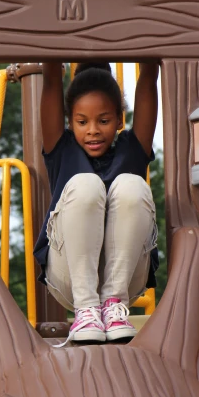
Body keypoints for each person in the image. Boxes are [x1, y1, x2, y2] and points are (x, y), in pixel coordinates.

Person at [34, 59, 159, 343]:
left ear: (119, 120)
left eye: (103, 121)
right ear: (69, 122)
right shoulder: (61, 148)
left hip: (128, 278)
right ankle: (87, 309)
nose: (92, 130)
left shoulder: (132, 148)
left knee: (132, 184)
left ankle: (114, 307)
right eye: (82, 122)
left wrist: (150, 49)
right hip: (69, 276)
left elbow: (149, 77)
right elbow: (52, 80)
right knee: (86, 184)